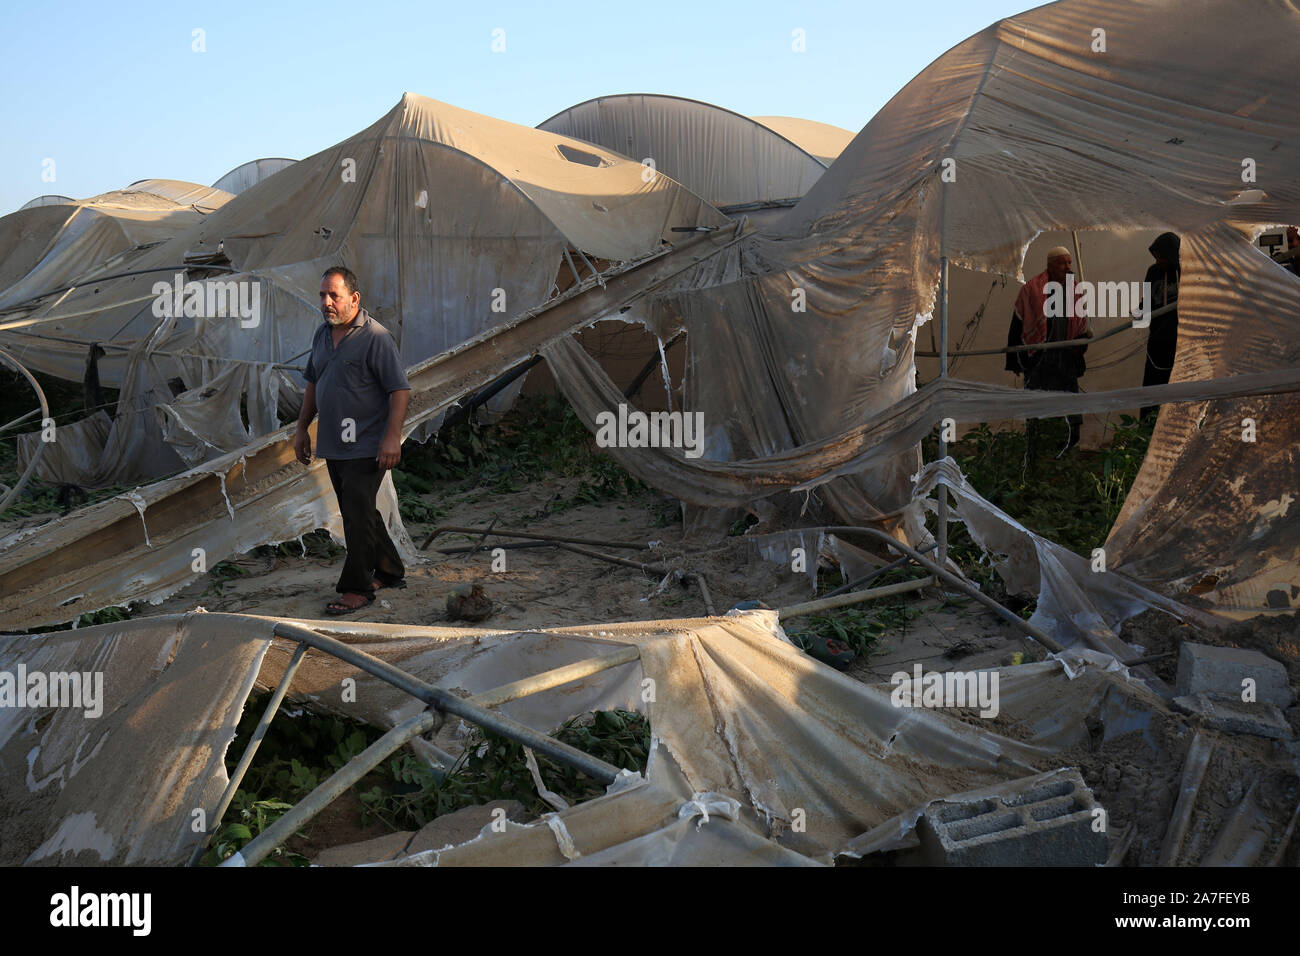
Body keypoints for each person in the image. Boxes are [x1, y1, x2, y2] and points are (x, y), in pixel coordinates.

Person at [293, 266, 411, 615]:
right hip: (334, 443)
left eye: (335, 296)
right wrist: (301, 428)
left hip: (368, 443)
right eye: (323, 295)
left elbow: (400, 389)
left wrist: (392, 438)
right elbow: (313, 382)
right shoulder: (321, 335)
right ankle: (389, 570)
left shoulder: (375, 337)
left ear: (354, 298)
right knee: (358, 511)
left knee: (356, 514)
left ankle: (356, 588)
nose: (327, 303)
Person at [1006, 246, 1089, 462]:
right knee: (1037, 409)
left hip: (1065, 357)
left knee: (1070, 409)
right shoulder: (1032, 289)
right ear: (1051, 265)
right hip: (1040, 358)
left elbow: (1081, 324)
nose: (1068, 267)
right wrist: (1016, 359)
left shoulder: (1075, 289)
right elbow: (1018, 323)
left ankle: (1064, 456)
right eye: (1063, 263)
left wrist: (1080, 346)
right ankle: (1035, 459)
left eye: (1070, 263)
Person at [1139, 232, 1181, 420]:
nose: (1158, 262)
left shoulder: (1188, 273)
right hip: (1157, 346)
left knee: (1175, 398)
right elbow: (1147, 303)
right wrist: (1140, 312)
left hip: (1180, 347)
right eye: (1156, 257)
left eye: (1161, 257)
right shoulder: (1153, 272)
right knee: (1152, 395)